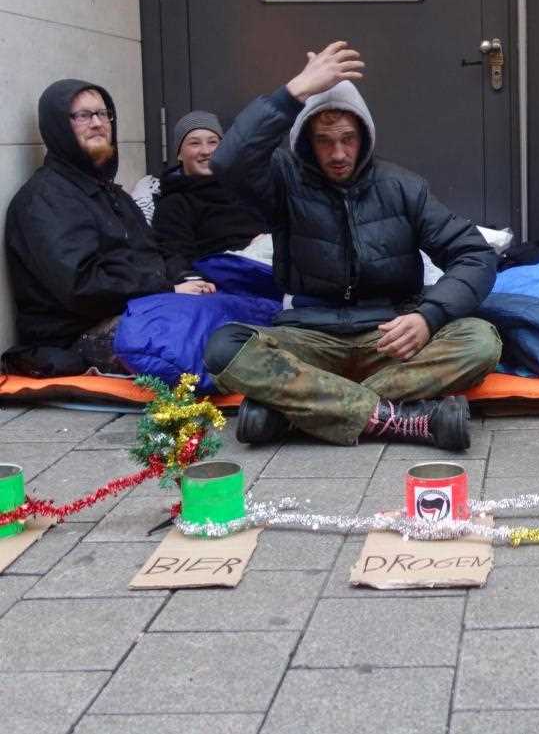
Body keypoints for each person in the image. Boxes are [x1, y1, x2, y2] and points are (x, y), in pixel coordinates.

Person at [203, 41, 502, 450]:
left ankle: (295, 412)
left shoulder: (403, 187)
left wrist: (428, 318)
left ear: (364, 137)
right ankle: (403, 419)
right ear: (307, 141)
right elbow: (228, 161)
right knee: (225, 348)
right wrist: (293, 93)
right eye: (325, 140)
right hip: (310, 335)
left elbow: (474, 255)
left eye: (347, 138)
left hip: (390, 336)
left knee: (481, 341)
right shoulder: (283, 183)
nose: (338, 153)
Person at [4, 80, 214, 376]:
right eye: (82, 116)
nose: (97, 123)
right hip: (77, 334)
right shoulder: (44, 200)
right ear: (57, 127)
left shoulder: (112, 194)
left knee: (226, 316)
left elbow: (152, 253)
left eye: (103, 114)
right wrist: (168, 289)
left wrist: (184, 279)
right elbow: (83, 286)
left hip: (136, 309)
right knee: (197, 341)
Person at [152, 111, 266, 277]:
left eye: (213, 142)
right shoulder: (175, 203)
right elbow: (175, 257)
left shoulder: (247, 189)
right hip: (220, 280)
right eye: (194, 143)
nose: (206, 151)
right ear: (179, 154)